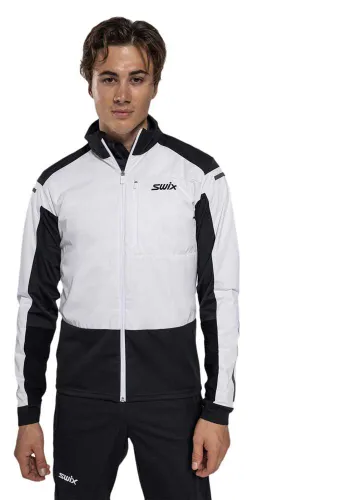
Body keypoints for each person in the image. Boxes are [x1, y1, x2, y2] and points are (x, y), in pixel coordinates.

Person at [13, 16, 240, 500]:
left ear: (155, 84)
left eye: (136, 78)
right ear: (89, 84)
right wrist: (28, 414)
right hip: (83, 401)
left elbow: (219, 296)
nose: (121, 94)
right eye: (108, 78)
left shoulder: (199, 177)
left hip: (173, 401)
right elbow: (35, 304)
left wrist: (217, 410)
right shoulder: (56, 186)